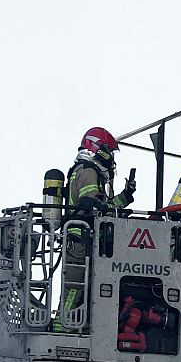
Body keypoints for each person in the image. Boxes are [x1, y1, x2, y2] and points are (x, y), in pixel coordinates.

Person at [57, 127, 135, 329]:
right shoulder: (89, 171)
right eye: (109, 151)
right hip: (79, 239)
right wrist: (114, 209)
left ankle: (71, 326)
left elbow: (102, 206)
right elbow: (92, 205)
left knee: (84, 288)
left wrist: (125, 197)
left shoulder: (86, 170)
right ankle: (62, 327)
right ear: (98, 149)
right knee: (74, 288)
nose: (111, 157)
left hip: (84, 239)